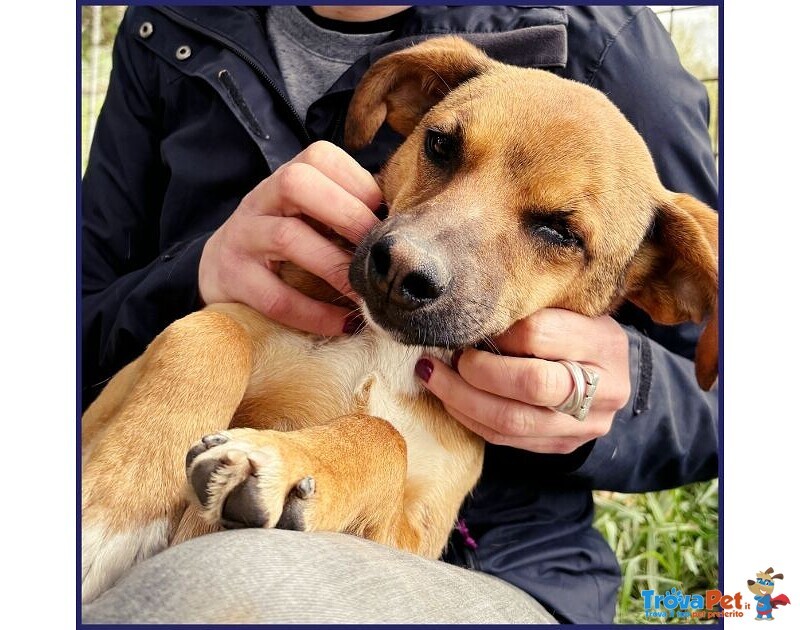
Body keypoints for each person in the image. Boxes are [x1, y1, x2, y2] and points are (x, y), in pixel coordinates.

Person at [81, 5, 718, 624]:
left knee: (227, 584)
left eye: (554, 230)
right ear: (405, 103)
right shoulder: (163, 24)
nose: (417, 252)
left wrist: (628, 387)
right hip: (171, 441)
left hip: (500, 567)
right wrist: (189, 278)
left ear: (659, 279)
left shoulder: (617, 44)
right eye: (442, 148)